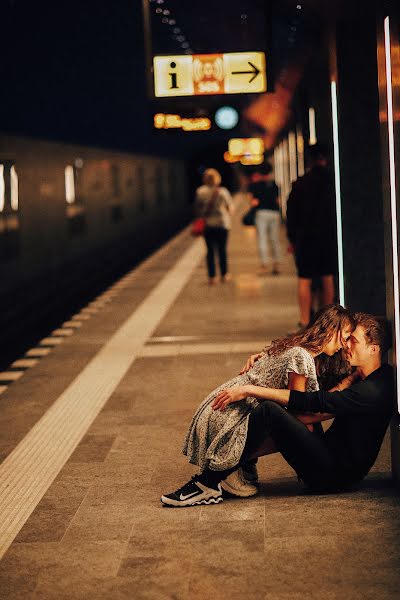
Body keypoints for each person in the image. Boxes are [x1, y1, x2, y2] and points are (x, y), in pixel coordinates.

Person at [161, 312, 394, 507]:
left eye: (354, 341)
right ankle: (234, 466)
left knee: (269, 411)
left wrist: (252, 390)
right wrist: (268, 357)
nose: (347, 345)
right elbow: (315, 362)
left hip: (333, 475)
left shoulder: (373, 391)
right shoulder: (366, 376)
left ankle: (207, 483)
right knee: (272, 409)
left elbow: (314, 403)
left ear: (374, 349)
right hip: (327, 455)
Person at [286, 143, 337, 328]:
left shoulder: (300, 184)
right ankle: (328, 320)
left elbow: (291, 215)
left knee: (304, 279)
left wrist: (292, 239)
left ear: (310, 160)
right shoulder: (333, 181)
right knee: (327, 277)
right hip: (328, 237)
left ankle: (305, 320)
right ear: (326, 158)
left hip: (305, 239)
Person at [195, 168, 234, 285]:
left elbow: (197, 208)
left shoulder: (200, 191)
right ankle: (224, 274)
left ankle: (212, 277)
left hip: (208, 225)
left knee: (210, 251)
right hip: (222, 224)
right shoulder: (223, 192)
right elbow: (230, 208)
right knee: (222, 250)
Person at [247, 163, 281, 276]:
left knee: (262, 239)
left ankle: (264, 265)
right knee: (274, 239)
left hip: (261, 213)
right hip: (275, 213)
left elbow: (252, 202)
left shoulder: (255, 186)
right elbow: (278, 201)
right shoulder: (275, 185)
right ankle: (277, 265)